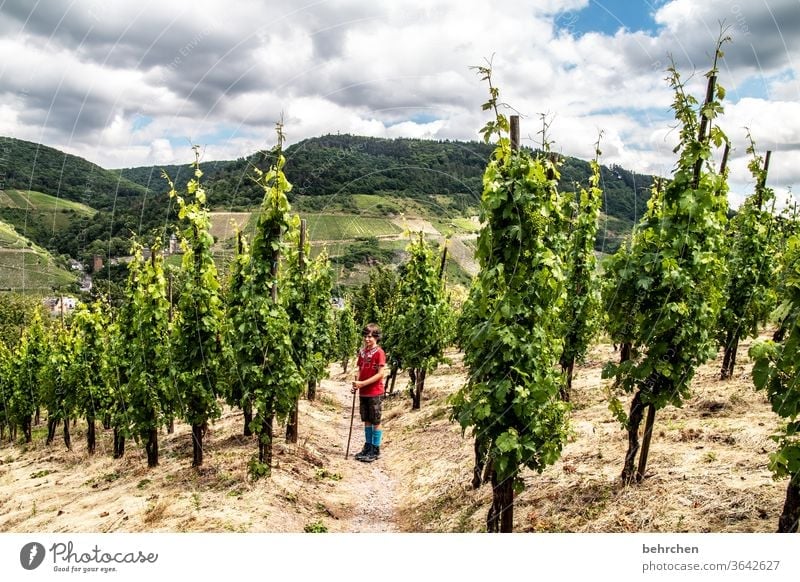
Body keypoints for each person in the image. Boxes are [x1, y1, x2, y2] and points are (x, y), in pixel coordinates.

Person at [351, 323, 386, 462]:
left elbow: (380, 374)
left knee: (375, 420)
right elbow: (360, 369)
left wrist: (363, 383)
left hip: (374, 391)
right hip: (363, 392)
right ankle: (368, 445)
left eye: (370, 336)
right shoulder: (362, 352)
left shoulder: (379, 352)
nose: (367, 339)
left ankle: (375, 449)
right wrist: (356, 384)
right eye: (365, 336)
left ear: (376, 337)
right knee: (366, 419)